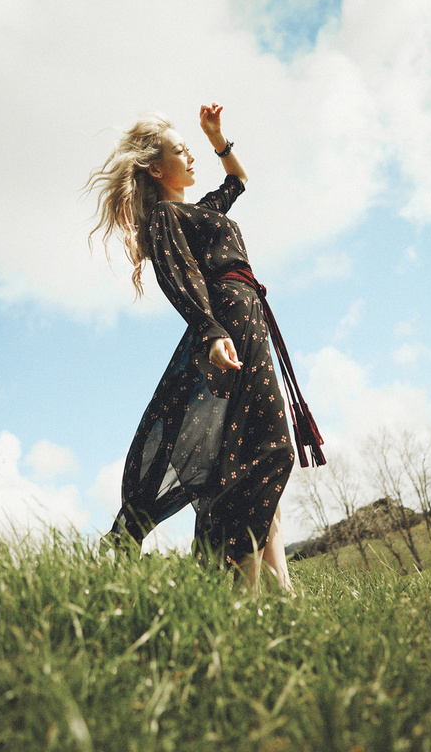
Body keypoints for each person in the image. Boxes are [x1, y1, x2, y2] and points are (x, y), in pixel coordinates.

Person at [87, 103, 322, 593]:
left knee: (257, 453)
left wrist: (217, 138)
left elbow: (238, 179)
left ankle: (276, 592)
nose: (190, 156)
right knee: (269, 449)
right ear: (157, 169)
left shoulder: (202, 211)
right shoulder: (166, 216)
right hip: (230, 323)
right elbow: (181, 277)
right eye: (180, 150)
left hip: (249, 318)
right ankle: (247, 592)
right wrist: (212, 332)